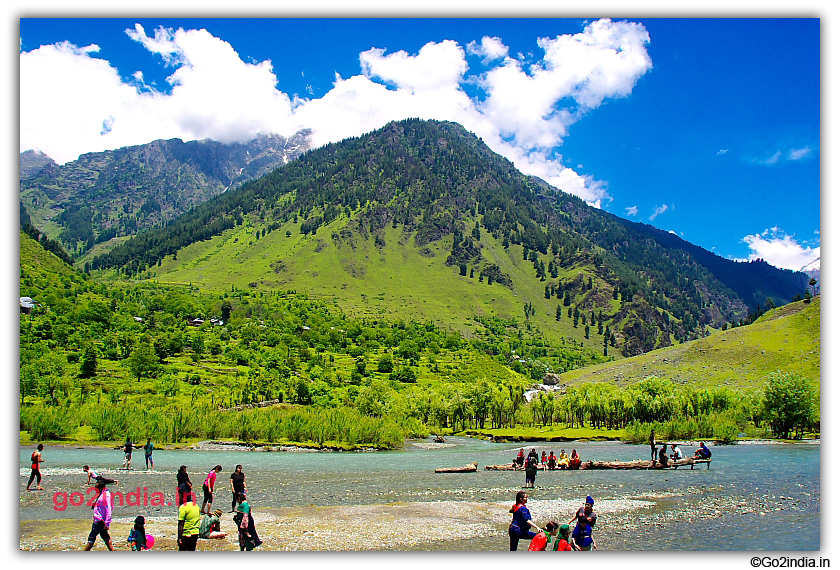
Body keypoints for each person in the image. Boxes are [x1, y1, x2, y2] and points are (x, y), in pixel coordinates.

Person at [84, 477, 116, 550]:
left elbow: (108, 509)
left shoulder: (106, 495)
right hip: (100, 520)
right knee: (106, 537)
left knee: (91, 538)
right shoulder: (102, 493)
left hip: (100, 521)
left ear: (101, 487)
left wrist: (107, 523)